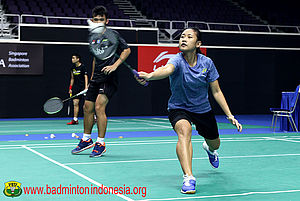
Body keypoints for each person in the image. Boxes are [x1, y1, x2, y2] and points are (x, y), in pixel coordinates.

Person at [137, 28, 242, 194]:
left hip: (202, 109)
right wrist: (150, 75)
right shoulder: (177, 60)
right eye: (182, 37)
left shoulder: (207, 63)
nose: (183, 39)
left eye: (189, 37)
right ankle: (188, 177)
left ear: (198, 43)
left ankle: (209, 149)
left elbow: (216, 91)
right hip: (179, 107)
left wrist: (230, 115)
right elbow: (167, 70)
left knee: (216, 143)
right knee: (184, 132)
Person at [71, 6, 131, 157]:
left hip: (109, 78)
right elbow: (94, 59)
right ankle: (86, 139)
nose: (98, 22)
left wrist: (115, 65)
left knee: (99, 107)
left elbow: (127, 50)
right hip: (96, 78)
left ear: (106, 21)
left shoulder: (112, 34)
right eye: (96, 20)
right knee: (87, 107)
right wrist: (91, 78)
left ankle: (101, 143)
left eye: (101, 20)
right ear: (93, 21)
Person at [67, 53, 88, 125]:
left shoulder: (83, 67)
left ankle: (93, 117)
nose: (72, 59)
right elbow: (72, 78)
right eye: (72, 58)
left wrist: (86, 87)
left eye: (73, 58)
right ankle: (75, 120)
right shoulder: (72, 68)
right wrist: (70, 88)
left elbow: (86, 77)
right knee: (75, 103)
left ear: (78, 59)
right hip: (76, 88)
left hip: (83, 87)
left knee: (87, 105)